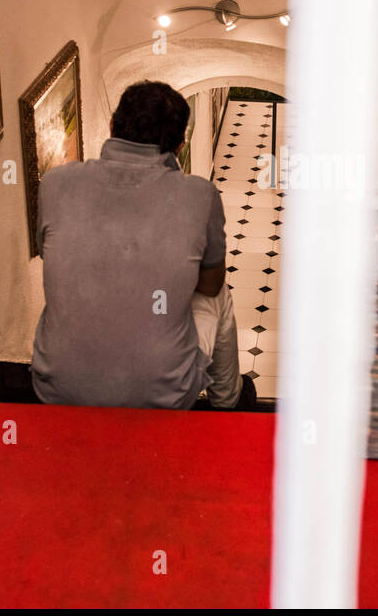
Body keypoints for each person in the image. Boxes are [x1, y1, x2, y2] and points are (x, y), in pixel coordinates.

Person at [30, 80, 251, 410]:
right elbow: (210, 283)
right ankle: (227, 403)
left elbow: (53, 253)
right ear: (179, 146)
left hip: (56, 389)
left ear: (111, 127)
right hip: (163, 394)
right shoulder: (200, 195)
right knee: (220, 296)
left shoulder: (54, 183)